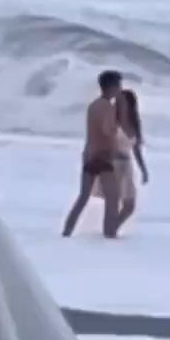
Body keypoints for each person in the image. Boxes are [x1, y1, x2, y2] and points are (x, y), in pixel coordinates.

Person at [62, 70, 122, 239]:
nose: (120, 89)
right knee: (112, 197)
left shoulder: (93, 105)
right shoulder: (107, 107)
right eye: (118, 85)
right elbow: (106, 130)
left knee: (83, 197)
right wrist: (115, 133)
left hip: (89, 154)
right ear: (111, 87)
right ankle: (110, 234)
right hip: (102, 156)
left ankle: (67, 232)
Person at [95, 88, 148, 232]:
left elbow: (136, 149)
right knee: (112, 203)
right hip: (112, 165)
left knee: (129, 205)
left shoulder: (135, 124)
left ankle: (112, 229)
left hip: (127, 166)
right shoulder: (112, 121)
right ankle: (108, 235)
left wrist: (143, 170)